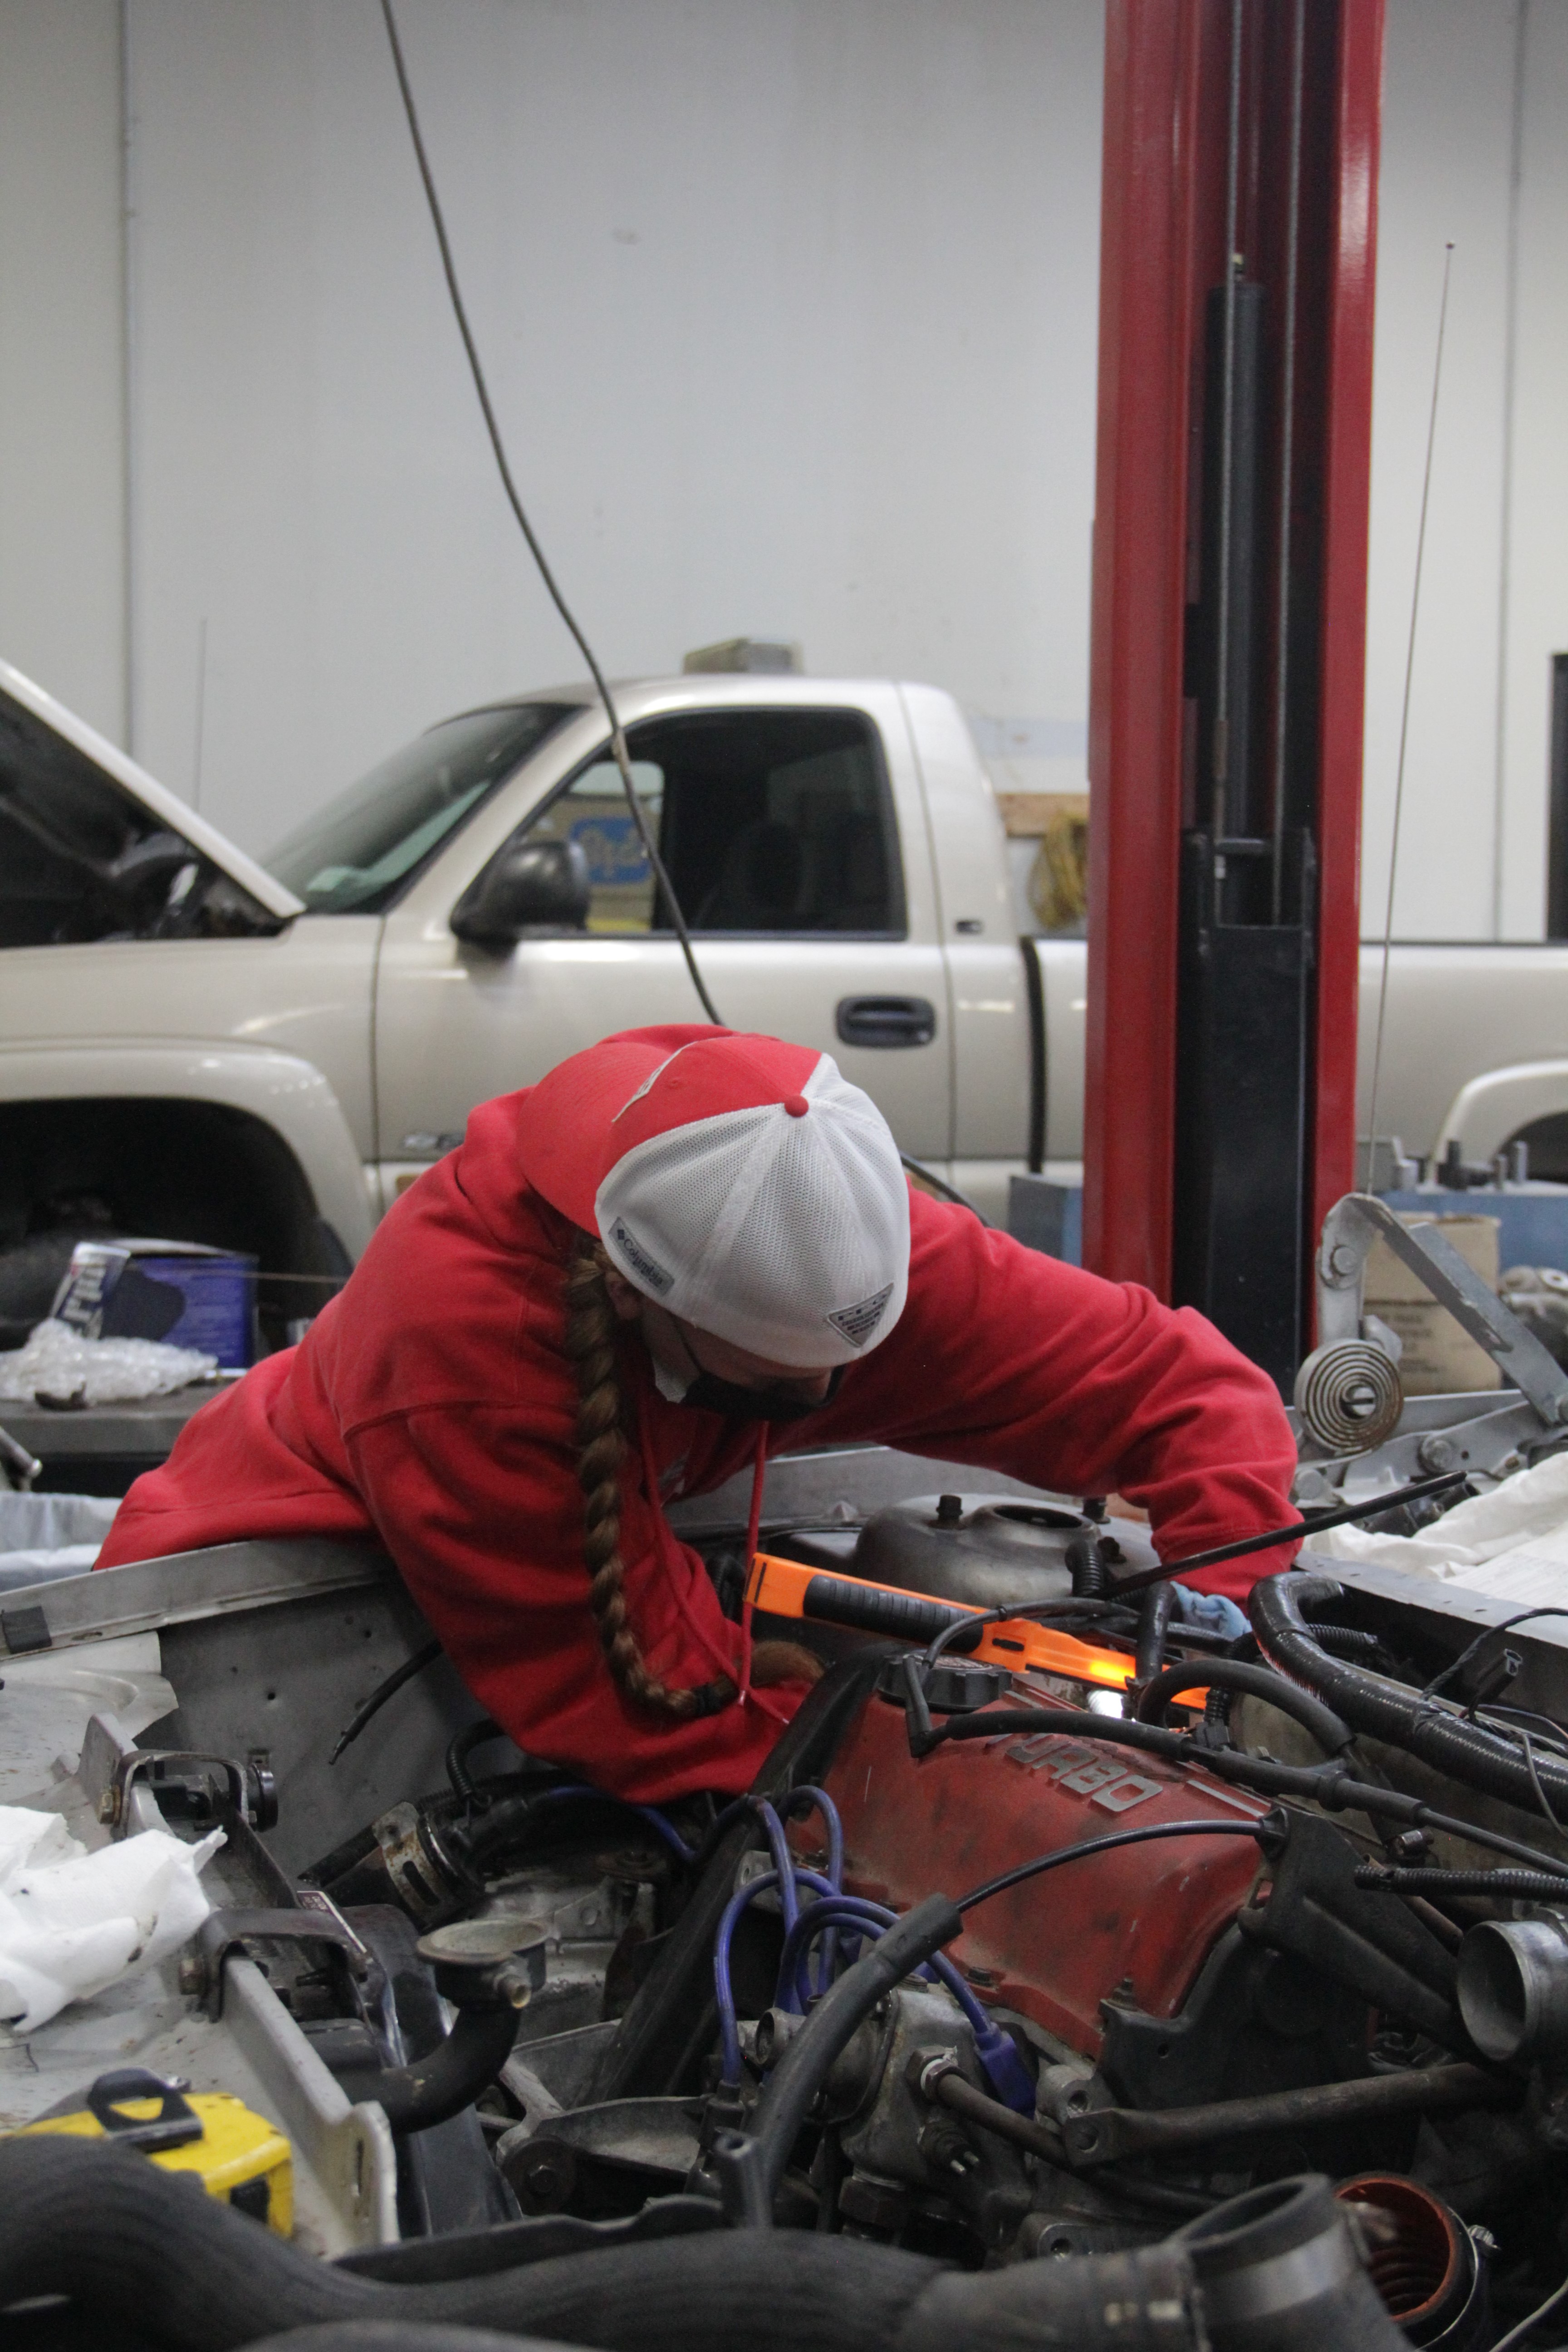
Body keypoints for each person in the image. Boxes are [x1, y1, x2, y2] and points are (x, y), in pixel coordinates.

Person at [98, 1025, 1299, 1801]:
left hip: (546, 1582)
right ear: (633, 1297)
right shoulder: (475, 1351)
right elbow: (654, 1713)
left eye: (842, 1371)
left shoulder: (812, 1220)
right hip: (249, 1649)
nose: (821, 1405)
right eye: (776, 1388)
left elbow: (1185, 1389)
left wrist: (1237, 1640)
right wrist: (987, 1789)